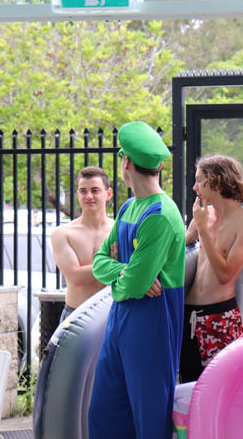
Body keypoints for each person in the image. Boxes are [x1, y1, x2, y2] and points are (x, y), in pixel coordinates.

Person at [88, 121, 185, 439]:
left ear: (125, 162)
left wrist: (125, 276)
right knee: (105, 413)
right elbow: (100, 263)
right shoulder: (129, 206)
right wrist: (123, 271)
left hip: (153, 322)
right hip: (121, 319)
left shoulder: (160, 215)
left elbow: (135, 284)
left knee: (149, 417)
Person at [180, 154, 243, 382]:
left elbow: (225, 275)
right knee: (187, 385)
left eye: (199, 180)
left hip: (219, 316)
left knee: (219, 385)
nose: (194, 188)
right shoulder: (203, 215)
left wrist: (203, 230)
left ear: (216, 182)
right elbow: (178, 246)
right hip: (189, 313)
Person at [51, 166, 114, 323]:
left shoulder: (119, 231)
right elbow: (75, 277)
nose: (89, 196)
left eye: (95, 190)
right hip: (75, 314)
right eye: (83, 191)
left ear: (108, 194)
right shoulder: (62, 233)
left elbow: (131, 271)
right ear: (78, 194)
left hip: (111, 314)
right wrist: (113, 265)